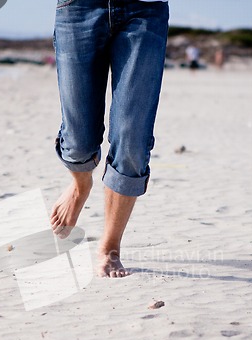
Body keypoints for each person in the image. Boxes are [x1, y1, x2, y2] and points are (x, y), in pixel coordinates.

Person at [51, 0, 169, 277]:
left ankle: (110, 245)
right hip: (77, 8)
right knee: (79, 139)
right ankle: (80, 186)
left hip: (145, 10)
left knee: (132, 137)